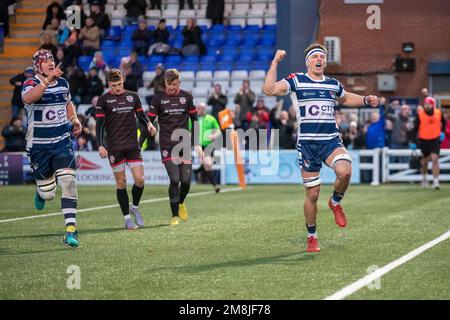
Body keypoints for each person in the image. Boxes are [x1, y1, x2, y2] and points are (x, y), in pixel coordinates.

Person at [263, 44, 379, 252]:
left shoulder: (332, 84)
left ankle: (335, 202)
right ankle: (312, 236)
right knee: (313, 195)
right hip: (308, 145)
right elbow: (269, 90)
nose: (319, 60)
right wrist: (275, 63)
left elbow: (346, 98)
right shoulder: (296, 80)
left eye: (322, 57)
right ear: (307, 61)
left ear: (325, 62)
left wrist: (365, 100)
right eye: (315, 56)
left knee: (345, 171)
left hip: (331, 141)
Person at [21, 49, 82, 248]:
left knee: (68, 182)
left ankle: (71, 231)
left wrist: (74, 119)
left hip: (62, 142)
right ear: (38, 66)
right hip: (39, 147)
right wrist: (47, 81)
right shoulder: (30, 83)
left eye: (51, 60)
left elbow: (68, 102)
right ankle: (41, 192)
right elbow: (29, 99)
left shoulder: (63, 83)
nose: (49, 63)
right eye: (45, 61)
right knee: (48, 194)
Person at [95, 69, 155, 230]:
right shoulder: (103, 100)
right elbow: (99, 126)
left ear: (123, 81)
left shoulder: (133, 96)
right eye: (114, 85)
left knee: (140, 180)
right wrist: (99, 144)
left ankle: (134, 207)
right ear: (109, 84)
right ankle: (127, 219)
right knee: (121, 183)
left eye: (120, 84)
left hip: (132, 146)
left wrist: (149, 124)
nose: (118, 88)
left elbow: (141, 116)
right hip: (115, 148)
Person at [141, 69, 202, 226]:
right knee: (175, 180)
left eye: (175, 84)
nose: (172, 88)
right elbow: (149, 122)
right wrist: (142, 140)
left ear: (179, 83)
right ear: (165, 83)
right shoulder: (158, 99)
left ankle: (181, 202)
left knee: (186, 181)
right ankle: (174, 215)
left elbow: (195, 121)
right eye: (169, 84)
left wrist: (197, 144)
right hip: (167, 144)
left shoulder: (187, 97)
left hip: (184, 144)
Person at [410, 96, 446, 189]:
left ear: (432, 105)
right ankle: (424, 177)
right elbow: (415, 129)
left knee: (435, 159)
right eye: (426, 104)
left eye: (429, 104)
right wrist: (413, 141)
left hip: (435, 139)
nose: (427, 106)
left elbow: (444, 122)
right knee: (425, 162)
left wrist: (442, 132)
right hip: (423, 139)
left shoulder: (438, 113)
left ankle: (436, 181)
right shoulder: (420, 114)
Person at [193, 102, 221, 192]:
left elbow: (218, 130)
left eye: (199, 108)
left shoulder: (211, 119)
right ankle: (215, 185)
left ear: (204, 109)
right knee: (207, 163)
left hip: (209, 145)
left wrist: (214, 136)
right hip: (198, 145)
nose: (197, 110)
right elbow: (188, 129)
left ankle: (197, 171)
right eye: (196, 108)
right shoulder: (194, 119)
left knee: (208, 165)